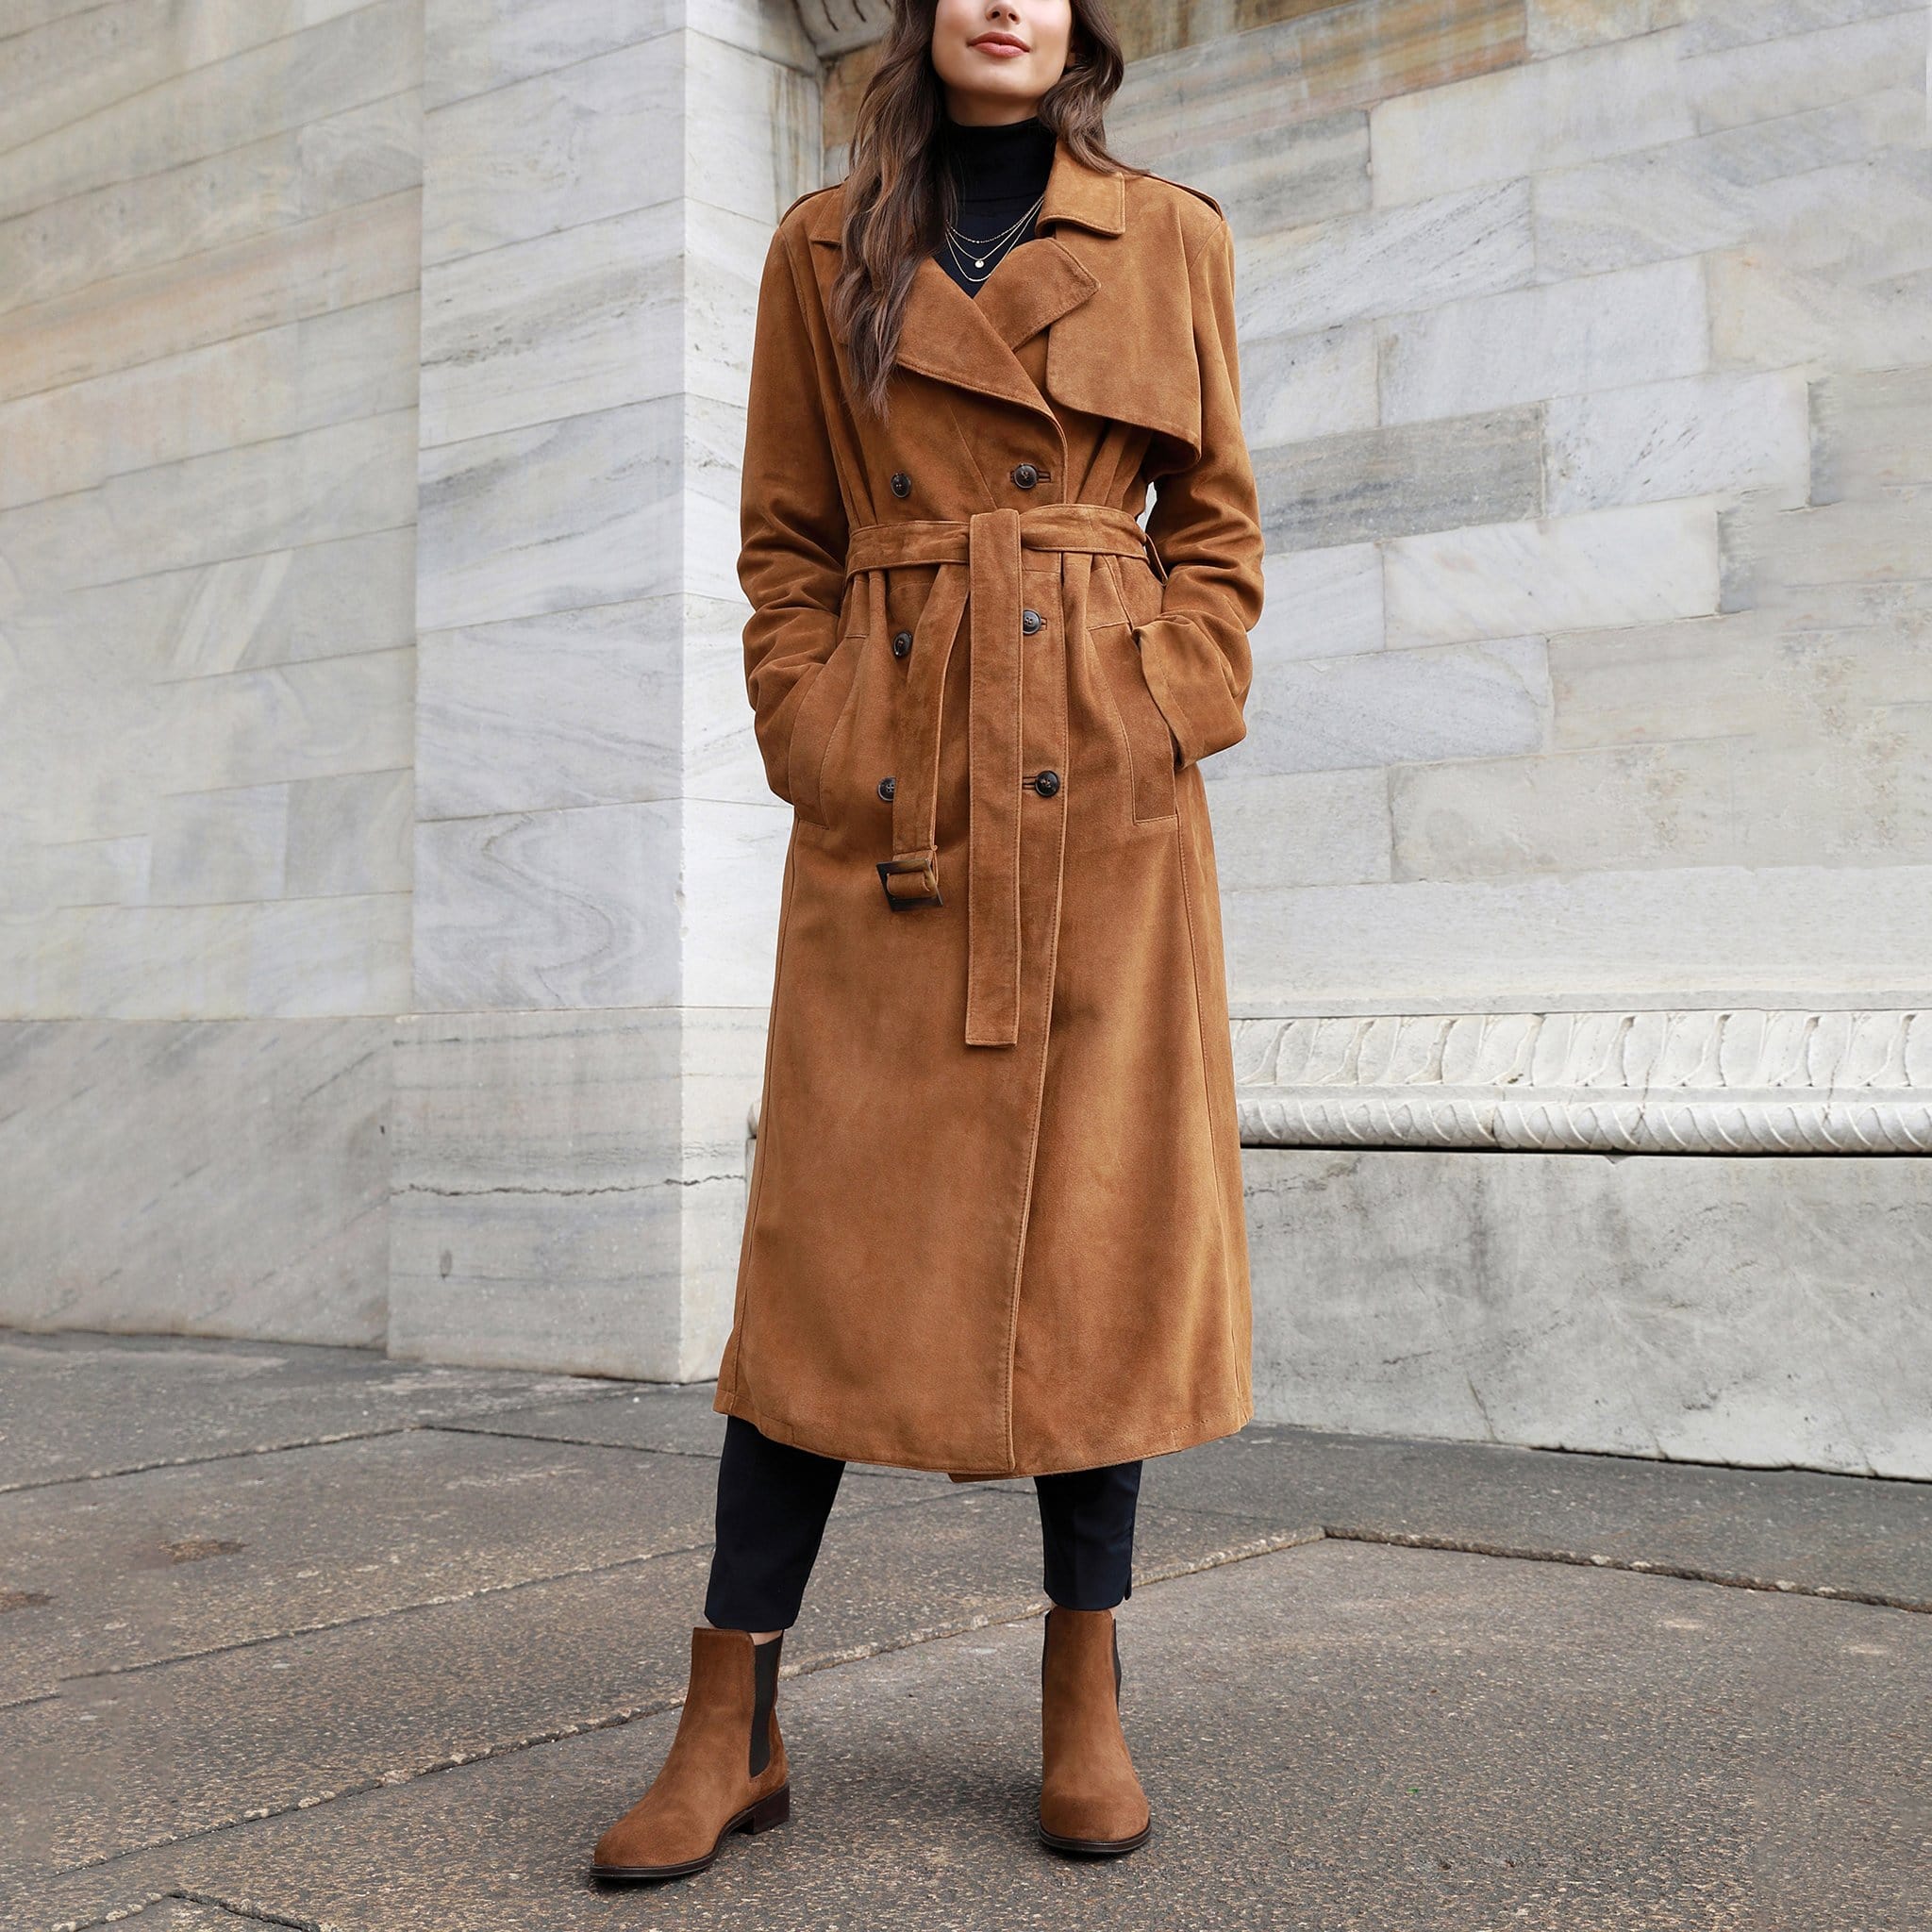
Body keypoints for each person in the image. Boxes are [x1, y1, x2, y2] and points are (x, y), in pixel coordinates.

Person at [590, 0, 1264, 1883]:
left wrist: (1163, 694)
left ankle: (1083, 1690)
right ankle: (731, 1715)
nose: (1002, 1)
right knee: (818, 1246)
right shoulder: (824, 248)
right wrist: (826, 737)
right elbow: (784, 542)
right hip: (894, 796)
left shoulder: (1174, 237)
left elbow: (1215, 530)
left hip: (1104, 811)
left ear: (1083, 17)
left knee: (1095, 1241)